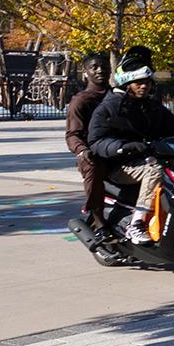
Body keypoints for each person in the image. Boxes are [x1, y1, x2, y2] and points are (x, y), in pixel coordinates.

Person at [87, 47, 174, 244]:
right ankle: (137, 224)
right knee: (155, 170)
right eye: (138, 82)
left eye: (147, 82)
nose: (144, 86)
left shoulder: (152, 105)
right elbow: (96, 141)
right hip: (120, 166)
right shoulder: (110, 107)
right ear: (127, 84)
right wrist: (122, 146)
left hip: (149, 158)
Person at [63, 53, 112, 231]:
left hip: (119, 149)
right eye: (94, 67)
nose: (100, 70)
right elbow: (72, 134)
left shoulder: (118, 97)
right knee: (93, 166)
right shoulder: (81, 101)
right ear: (85, 73)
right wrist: (82, 150)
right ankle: (97, 218)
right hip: (95, 153)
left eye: (104, 66)